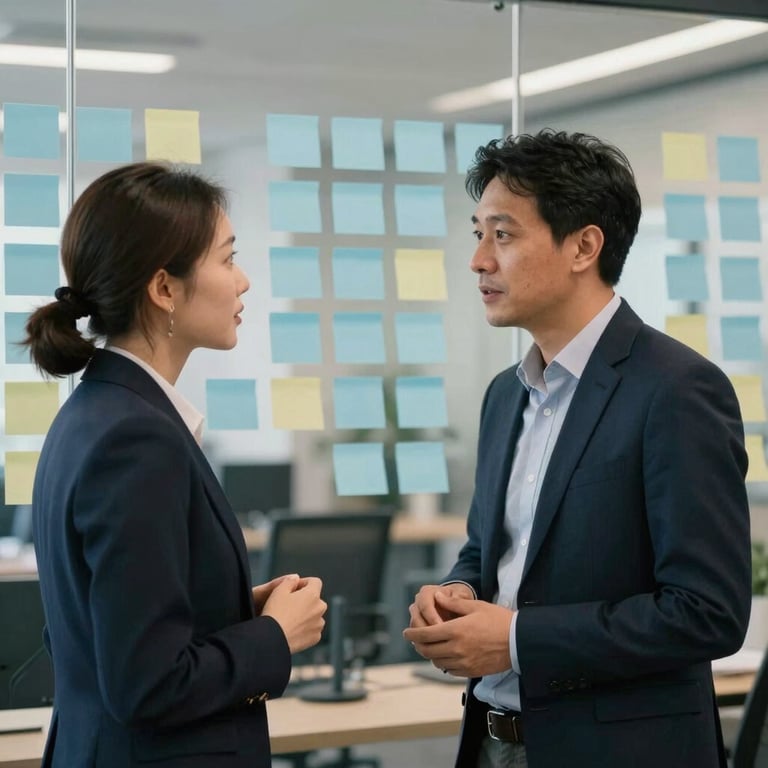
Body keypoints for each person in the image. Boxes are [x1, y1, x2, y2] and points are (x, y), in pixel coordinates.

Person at [404, 130, 751, 768]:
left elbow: (708, 614)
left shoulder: (676, 390)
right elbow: (489, 553)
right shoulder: (504, 397)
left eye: (502, 235)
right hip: (493, 740)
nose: (479, 260)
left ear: (583, 246)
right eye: (477, 234)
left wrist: (514, 640)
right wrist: (454, 595)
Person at [24, 162, 327, 768]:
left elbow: (103, 627)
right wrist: (274, 637)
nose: (242, 282)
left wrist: (234, 609)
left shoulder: (96, 411)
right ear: (164, 288)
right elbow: (147, 685)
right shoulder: (136, 438)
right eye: (227, 258)